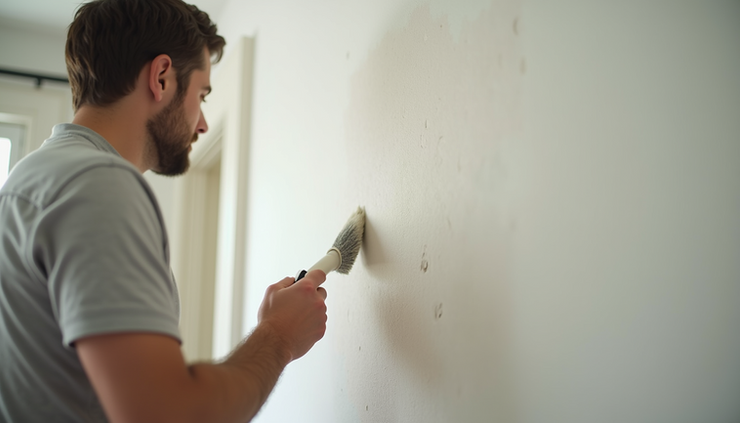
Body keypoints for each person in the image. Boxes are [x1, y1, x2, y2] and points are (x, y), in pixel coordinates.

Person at [0, 0, 328, 422]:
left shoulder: (29, 180)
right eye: (202, 95)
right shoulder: (98, 184)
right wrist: (278, 339)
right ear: (161, 77)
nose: (204, 123)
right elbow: (167, 415)